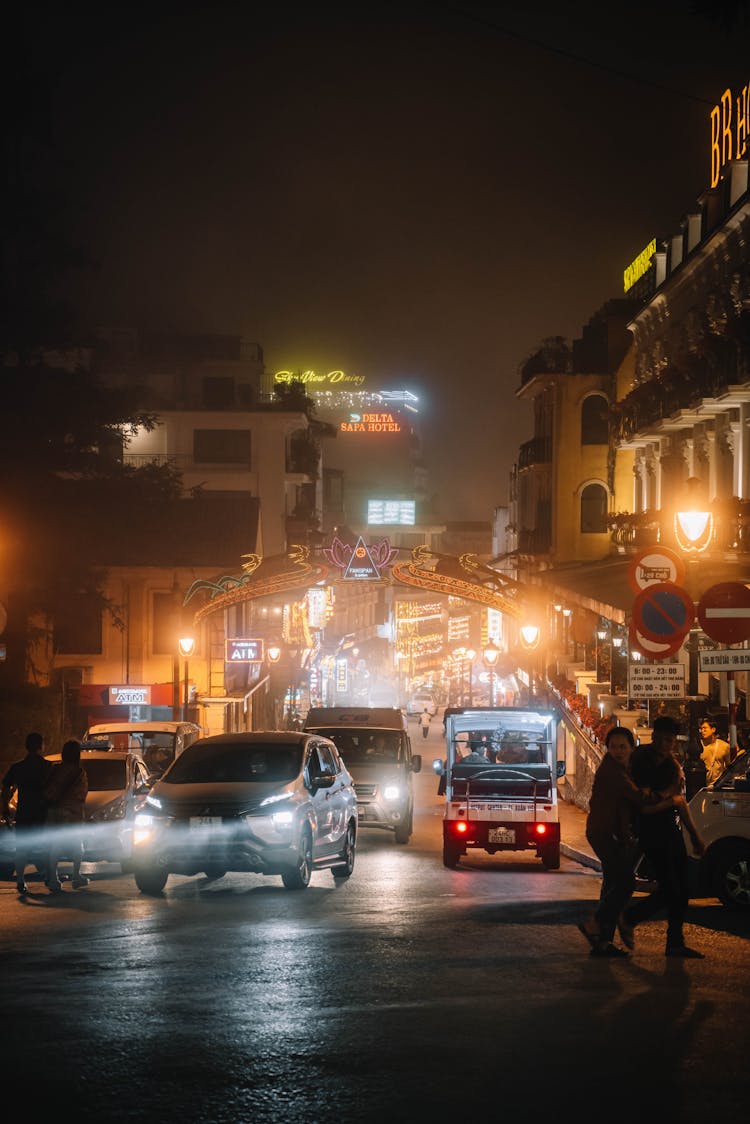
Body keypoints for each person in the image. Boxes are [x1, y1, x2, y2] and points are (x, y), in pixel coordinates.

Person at [578, 725, 685, 959]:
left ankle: (603, 943)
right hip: (604, 833)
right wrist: (667, 796)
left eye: (623, 746)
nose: (618, 751)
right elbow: (638, 798)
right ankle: (595, 924)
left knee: (613, 884)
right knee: (625, 882)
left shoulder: (622, 767)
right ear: (607, 748)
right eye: (614, 747)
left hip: (610, 833)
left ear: (631, 748)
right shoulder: (613, 772)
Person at [622, 715, 707, 959]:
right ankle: (629, 918)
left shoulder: (672, 765)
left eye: (669, 740)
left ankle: (675, 942)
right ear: (654, 737)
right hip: (649, 830)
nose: (665, 744)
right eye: (661, 739)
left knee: (683, 888)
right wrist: (669, 796)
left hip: (671, 829)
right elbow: (644, 803)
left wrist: (696, 837)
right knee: (670, 887)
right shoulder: (640, 759)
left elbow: (678, 803)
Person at [1, 731, 54, 895]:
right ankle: (49, 876)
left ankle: (21, 881)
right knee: (47, 846)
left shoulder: (18, 767)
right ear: (41, 746)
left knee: (21, 848)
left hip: (23, 812)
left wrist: (5, 808)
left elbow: (5, 787)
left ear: (26, 746)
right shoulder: (47, 766)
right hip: (42, 812)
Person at [44, 739, 89, 891]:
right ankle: (76, 877)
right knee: (78, 847)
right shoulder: (79, 772)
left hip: (55, 812)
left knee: (54, 847)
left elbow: (48, 790)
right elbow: (81, 795)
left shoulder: (54, 769)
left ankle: (53, 879)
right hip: (72, 814)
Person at [698, 717, 731, 785]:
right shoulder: (698, 746)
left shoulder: (724, 746)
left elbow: (729, 767)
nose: (702, 731)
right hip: (701, 785)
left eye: (705, 728)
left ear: (713, 729)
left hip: (718, 786)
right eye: (701, 729)